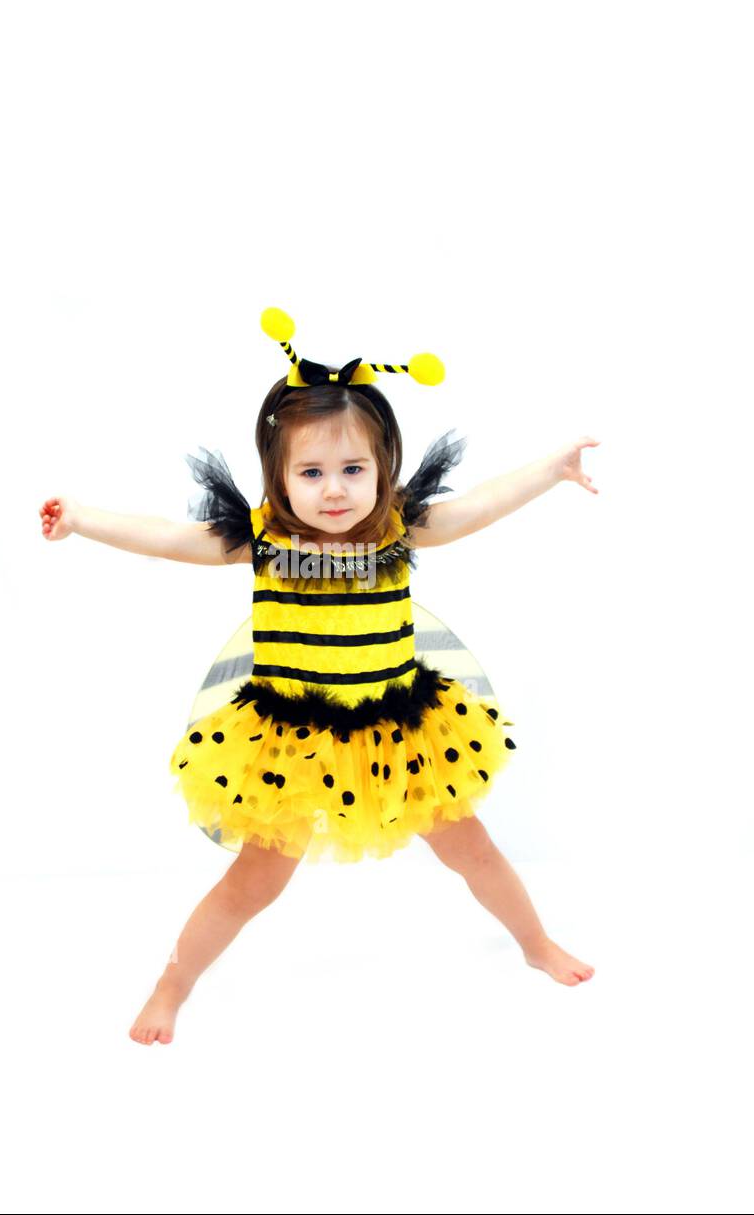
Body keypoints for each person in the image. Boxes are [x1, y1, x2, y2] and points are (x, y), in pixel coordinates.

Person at [40, 307, 598, 1045]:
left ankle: (535, 945)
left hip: (400, 730)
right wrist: (82, 519)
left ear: (382, 468)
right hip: (289, 744)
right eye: (310, 472)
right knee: (254, 883)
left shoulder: (398, 528)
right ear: (278, 475)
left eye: (352, 470)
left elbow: (475, 509)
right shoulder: (264, 541)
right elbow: (171, 537)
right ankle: (171, 985)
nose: (333, 490)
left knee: (472, 847)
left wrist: (552, 472)